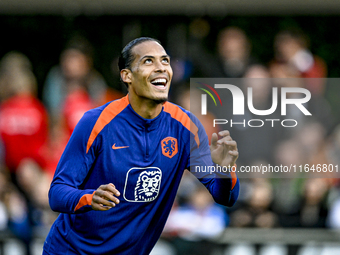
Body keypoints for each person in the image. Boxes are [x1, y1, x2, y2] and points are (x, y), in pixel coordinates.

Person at [43, 37, 240, 255]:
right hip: (71, 251)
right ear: (127, 76)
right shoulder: (96, 122)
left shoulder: (186, 127)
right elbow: (57, 192)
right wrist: (90, 198)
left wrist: (224, 170)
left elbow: (225, 197)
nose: (161, 68)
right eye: (148, 61)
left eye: (165, 61)